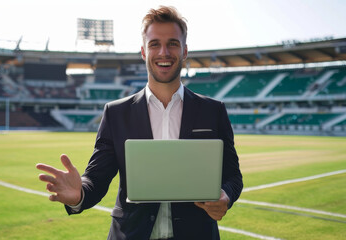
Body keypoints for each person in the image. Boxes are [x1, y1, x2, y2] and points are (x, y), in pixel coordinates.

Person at [36, 6, 243, 240]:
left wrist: (226, 195)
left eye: (172, 43)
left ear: (185, 51)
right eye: (154, 44)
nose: (164, 52)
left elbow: (233, 175)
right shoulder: (116, 113)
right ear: (144, 52)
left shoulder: (213, 110)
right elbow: (97, 177)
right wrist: (79, 194)